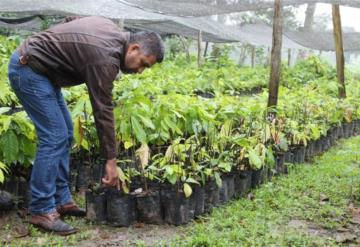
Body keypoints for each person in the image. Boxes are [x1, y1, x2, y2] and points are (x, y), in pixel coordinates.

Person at [7, 16, 164, 235]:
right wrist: (111, 161)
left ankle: (61, 201)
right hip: (28, 70)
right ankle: (41, 209)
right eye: (142, 64)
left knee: (66, 133)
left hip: (44, 72)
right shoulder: (105, 58)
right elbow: (102, 110)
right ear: (134, 48)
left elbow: (73, 20)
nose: (140, 71)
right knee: (54, 136)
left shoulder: (112, 32)